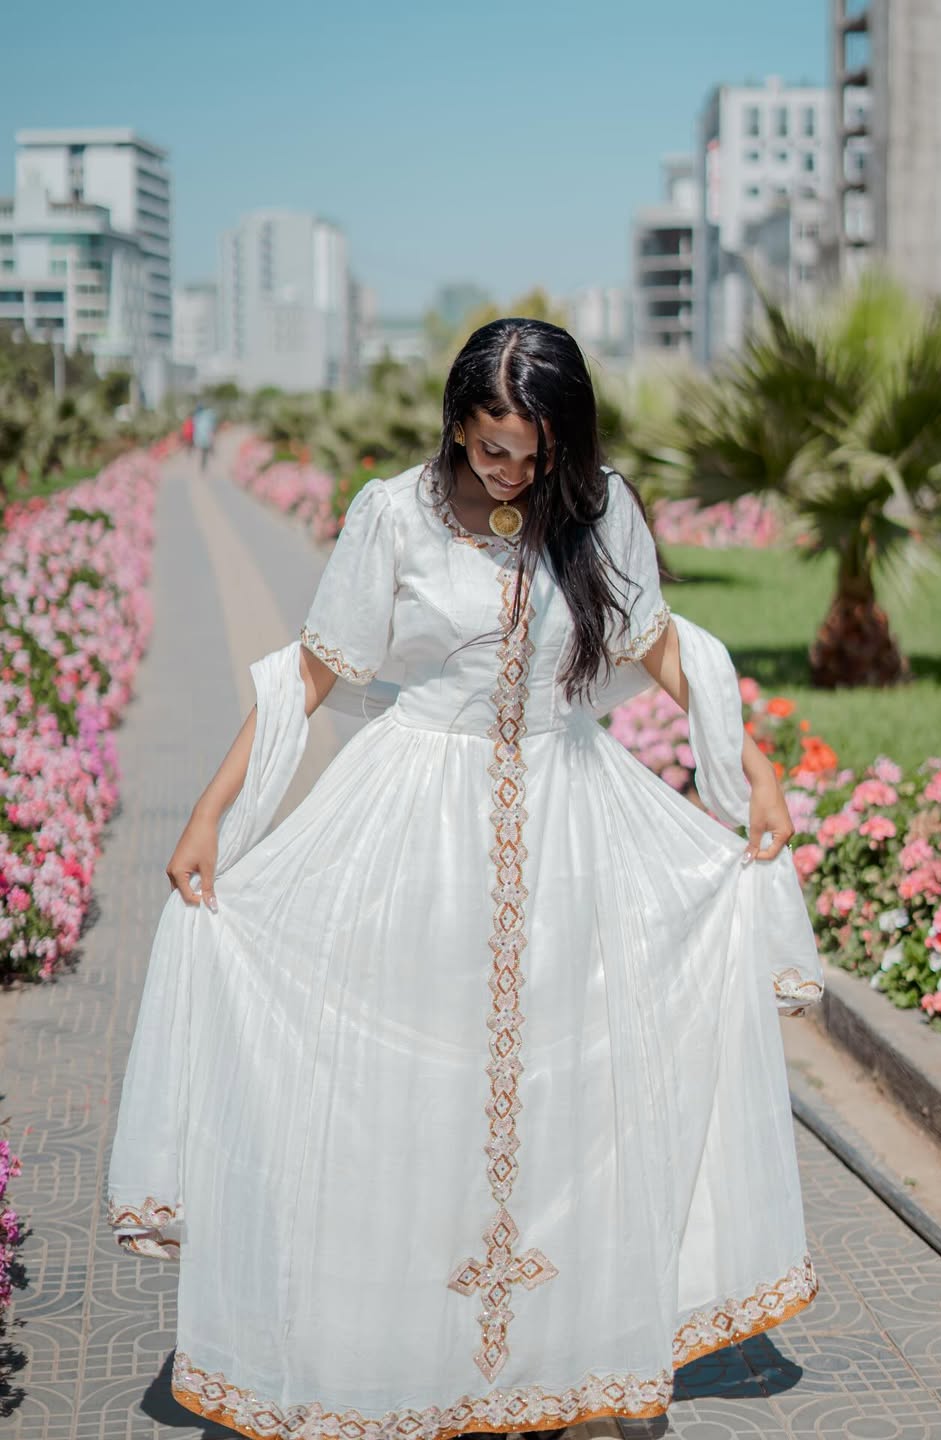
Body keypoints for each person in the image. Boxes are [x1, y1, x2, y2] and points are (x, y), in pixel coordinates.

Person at [106, 318, 824, 1440]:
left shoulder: (597, 507)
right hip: (419, 828)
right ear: (456, 423)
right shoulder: (392, 515)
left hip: (573, 823)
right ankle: (406, 1347)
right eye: (496, 451)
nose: (515, 476)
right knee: (421, 1089)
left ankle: (569, 1348)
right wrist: (212, 815)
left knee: (569, 1088)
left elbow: (658, 643)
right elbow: (314, 670)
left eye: (538, 456)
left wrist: (755, 772)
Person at [192, 401, 217, 471]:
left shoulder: (196, 417)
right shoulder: (207, 415)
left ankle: (203, 464)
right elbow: (212, 424)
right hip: (205, 437)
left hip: (200, 438)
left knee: (203, 451)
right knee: (205, 451)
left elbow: (195, 428)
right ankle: (205, 462)